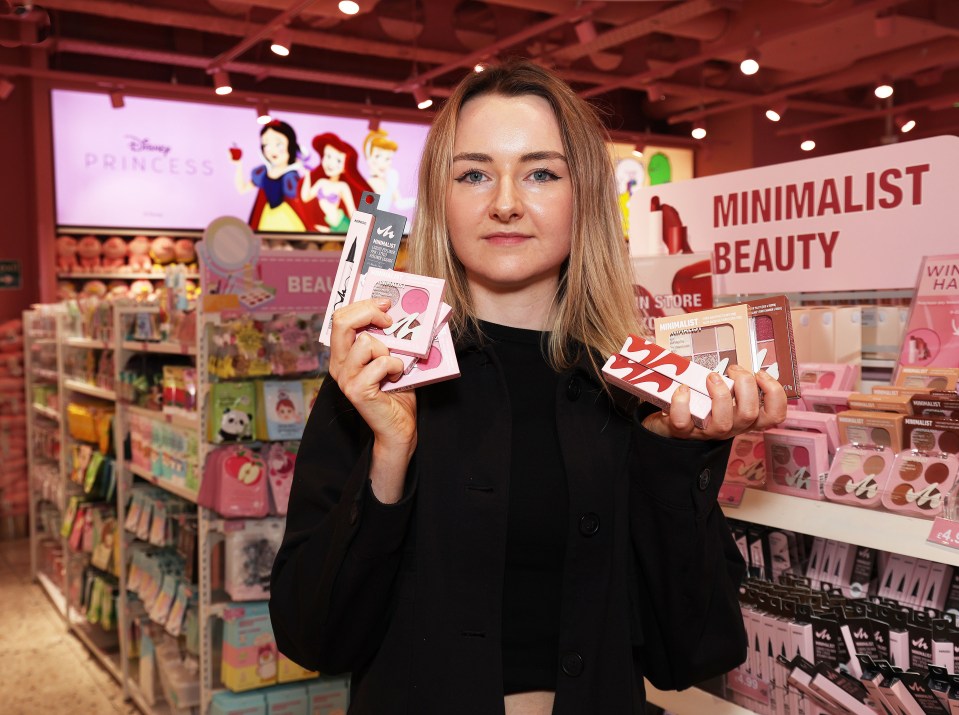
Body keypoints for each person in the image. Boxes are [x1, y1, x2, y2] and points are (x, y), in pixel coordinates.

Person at [270, 60, 787, 715]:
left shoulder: (636, 389)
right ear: (440, 197)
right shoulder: (375, 375)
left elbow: (693, 649)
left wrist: (677, 456)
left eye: (540, 171)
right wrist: (391, 455)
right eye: (474, 173)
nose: (505, 202)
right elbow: (311, 634)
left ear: (585, 196)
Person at [232, 119, 310, 232]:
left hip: (287, 218)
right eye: (266, 145)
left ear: (290, 144)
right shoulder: (262, 172)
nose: (272, 150)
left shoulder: (292, 175)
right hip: (267, 218)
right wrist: (238, 165)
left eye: (278, 144)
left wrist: (307, 175)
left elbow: (303, 199)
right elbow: (242, 189)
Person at [301, 132, 372, 233]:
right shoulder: (321, 182)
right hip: (331, 226)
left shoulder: (342, 186)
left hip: (342, 225)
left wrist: (364, 229)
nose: (331, 163)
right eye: (328, 156)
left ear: (345, 167)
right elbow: (305, 197)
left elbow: (352, 212)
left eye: (338, 161)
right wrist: (307, 175)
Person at [362, 128, 415, 212]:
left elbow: (399, 203)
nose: (382, 163)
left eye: (388, 158)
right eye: (377, 156)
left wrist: (418, 201)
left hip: (384, 223)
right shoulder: (369, 184)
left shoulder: (390, 182)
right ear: (369, 158)